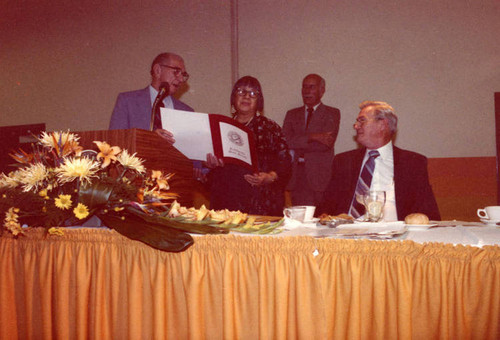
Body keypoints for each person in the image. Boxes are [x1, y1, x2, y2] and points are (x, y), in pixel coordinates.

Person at [320, 100, 440, 221]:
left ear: (382, 124)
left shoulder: (413, 163)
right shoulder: (343, 161)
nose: (356, 126)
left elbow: (427, 210)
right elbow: (326, 205)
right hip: (347, 234)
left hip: (394, 234)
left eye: (362, 120)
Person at [205, 76, 292, 216]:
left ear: (259, 101)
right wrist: (210, 166)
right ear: (233, 97)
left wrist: (269, 177)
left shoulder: (270, 127)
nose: (246, 96)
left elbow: (286, 163)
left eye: (253, 93)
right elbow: (210, 177)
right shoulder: (220, 127)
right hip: (225, 203)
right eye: (241, 91)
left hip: (261, 203)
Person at [282, 74, 340, 206]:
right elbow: (285, 141)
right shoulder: (292, 114)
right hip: (297, 176)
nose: (306, 91)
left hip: (320, 176)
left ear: (322, 90)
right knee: (301, 220)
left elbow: (325, 145)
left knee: (322, 219)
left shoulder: (332, 113)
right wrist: (313, 137)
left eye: (312, 87)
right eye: (304, 87)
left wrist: (296, 141)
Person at [109, 52, 193, 143]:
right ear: (158, 70)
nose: (181, 79)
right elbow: (115, 140)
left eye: (183, 75)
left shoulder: (187, 112)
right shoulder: (128, 101)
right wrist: (149, 138)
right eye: (176, 71)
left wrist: (205, 157)